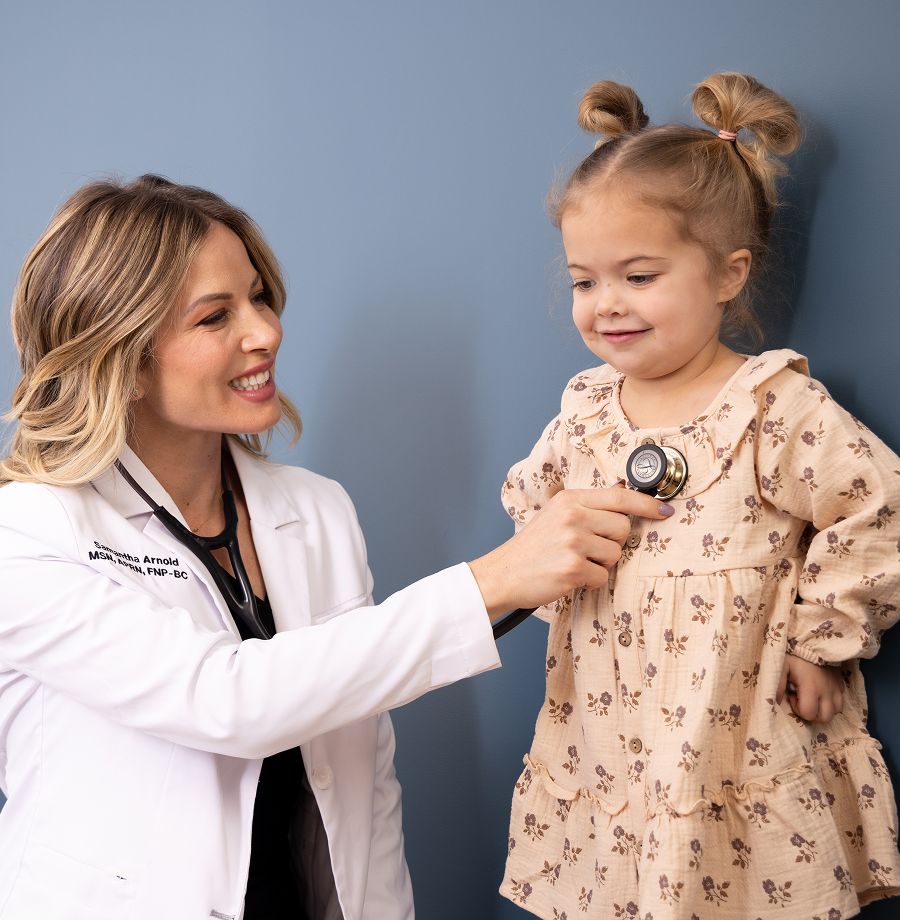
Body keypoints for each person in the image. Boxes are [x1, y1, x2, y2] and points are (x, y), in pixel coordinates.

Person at [0, 175, 673, 920]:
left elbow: (363, 777)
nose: (265, 332)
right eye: (215, 316)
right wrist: (492, 582)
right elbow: (228, 700)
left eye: (259, 297)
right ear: (122, 358)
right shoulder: (29, 532)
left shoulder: (315, 509)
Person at [498, 73, 900, 919]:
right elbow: (534, 522)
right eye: (584, 282)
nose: (606, 305)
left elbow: (877, 507)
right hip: (612, 736)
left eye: (639, 276)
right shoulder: (584, 414)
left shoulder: (770, 407)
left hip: (731, 727)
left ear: (727, 274)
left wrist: (820, 642)